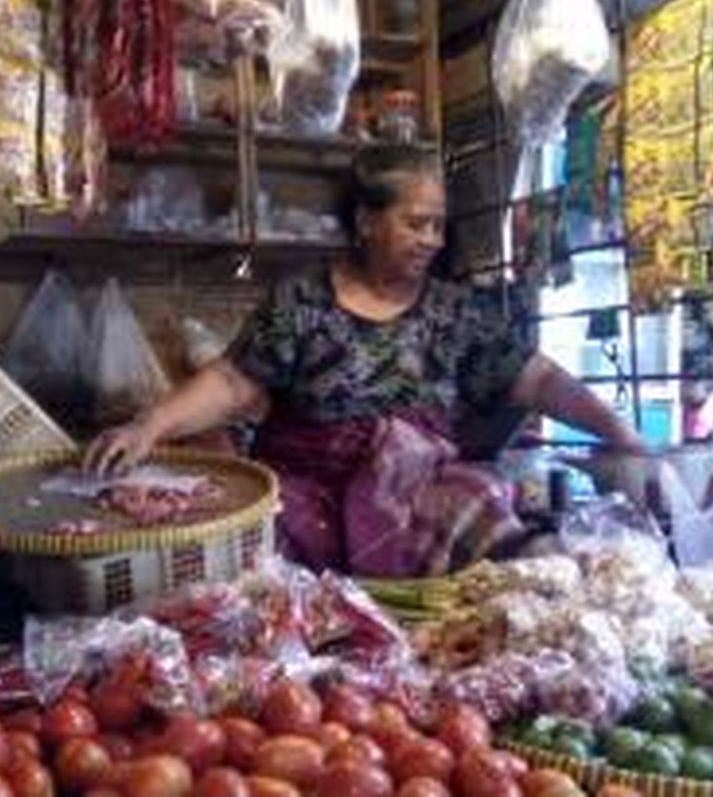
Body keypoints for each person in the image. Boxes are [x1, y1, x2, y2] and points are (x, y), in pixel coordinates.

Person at [85, 146, 644, 576]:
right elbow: (233, 379)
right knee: (250, 538)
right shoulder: (303, 301)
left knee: (480, 496)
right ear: (366, 222)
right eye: (415, 222)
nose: (431, 238)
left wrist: (619, 432)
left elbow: (537, 377)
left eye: (437, 225)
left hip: (420, 489)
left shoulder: (455, 312)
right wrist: (147, 425)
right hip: (307, 490)